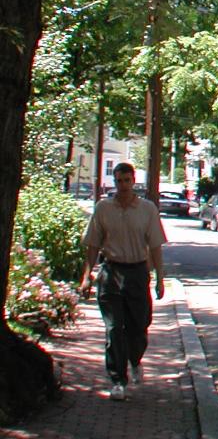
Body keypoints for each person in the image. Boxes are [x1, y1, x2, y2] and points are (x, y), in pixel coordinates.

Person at [79, 163, 167, 401]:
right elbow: (93, 244)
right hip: (111, 272)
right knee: (114, 328)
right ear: (114, 182)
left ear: (133, 181)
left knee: (139, 326)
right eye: (119, 181)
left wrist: (160, 278)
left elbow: (156, 245)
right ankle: (118, 380)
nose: (123, 186)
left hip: (138, 272)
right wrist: (87, 276)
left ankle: (135, 360)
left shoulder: (147, 209)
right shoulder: (103, 208)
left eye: (127, 180)